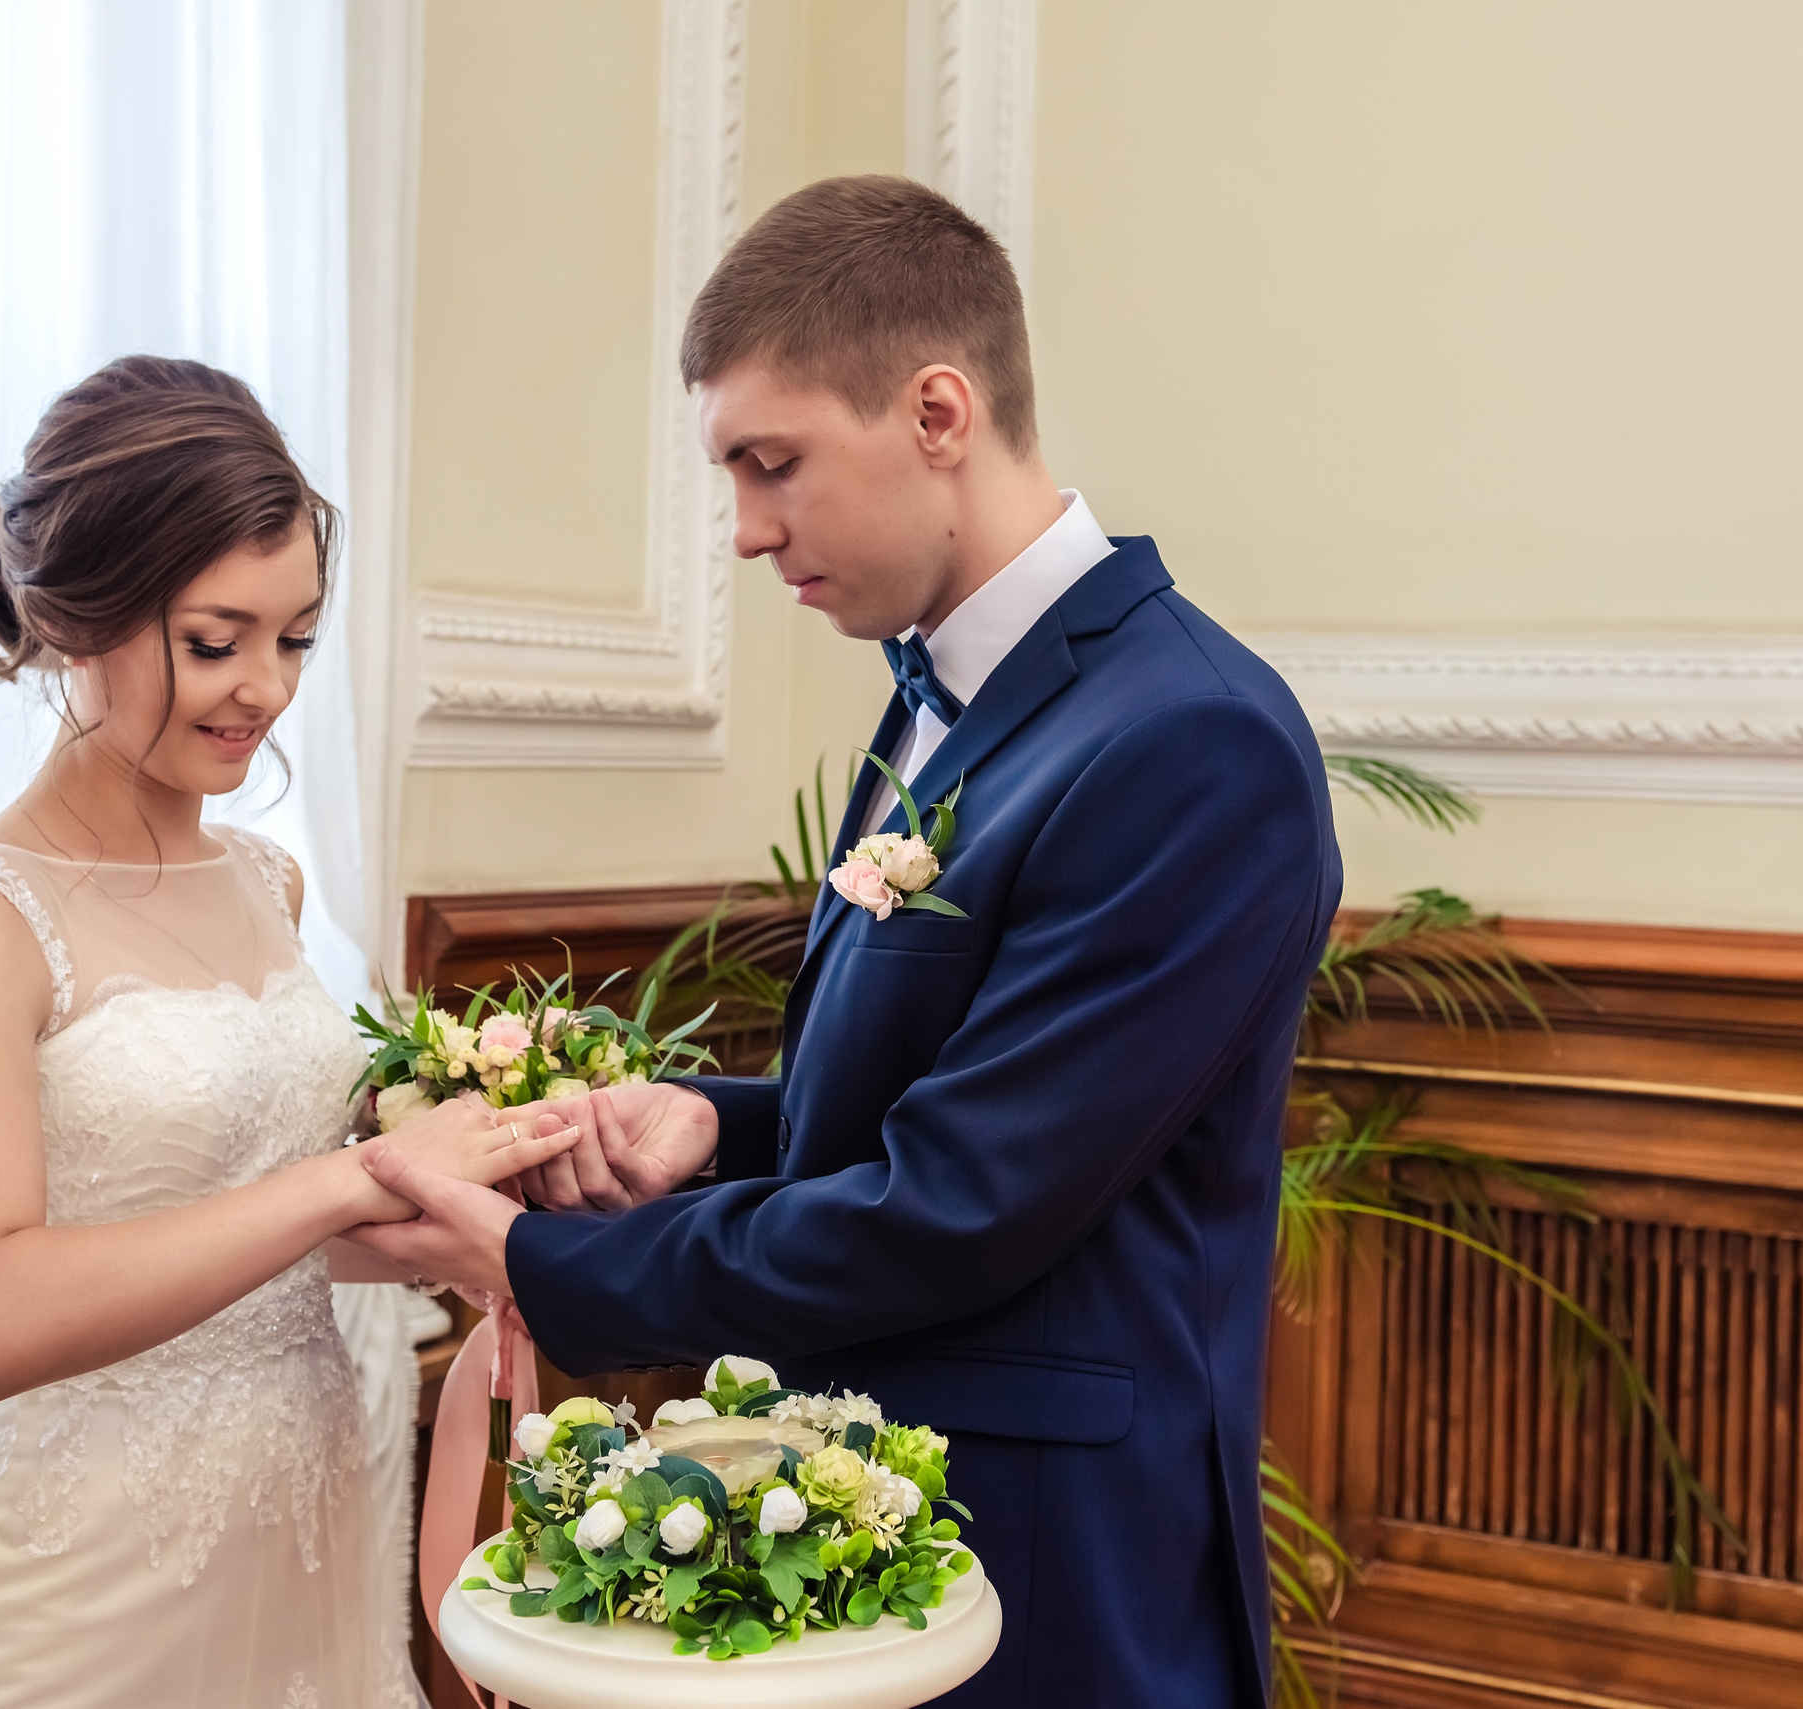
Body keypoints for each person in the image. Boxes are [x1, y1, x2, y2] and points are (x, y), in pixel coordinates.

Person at [350, 177, 1342, 1707]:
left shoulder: (1192, 740)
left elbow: (961, 1200)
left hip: (1053, 1565)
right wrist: (710, 1126)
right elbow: (915, 1104)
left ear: (938, 410)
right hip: (872, 1522)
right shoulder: (937, 687)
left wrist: (551, 1260)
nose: (746, 531)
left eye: (772, 463)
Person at [0, 355, 579, 1708]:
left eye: (294, 636)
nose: (265, 686)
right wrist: (352, 1174)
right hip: (76, 1581)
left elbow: (242, 1241)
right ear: (77, 616)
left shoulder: (267, 882)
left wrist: (482, 1218)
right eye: (216, 638)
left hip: (305, 1532)